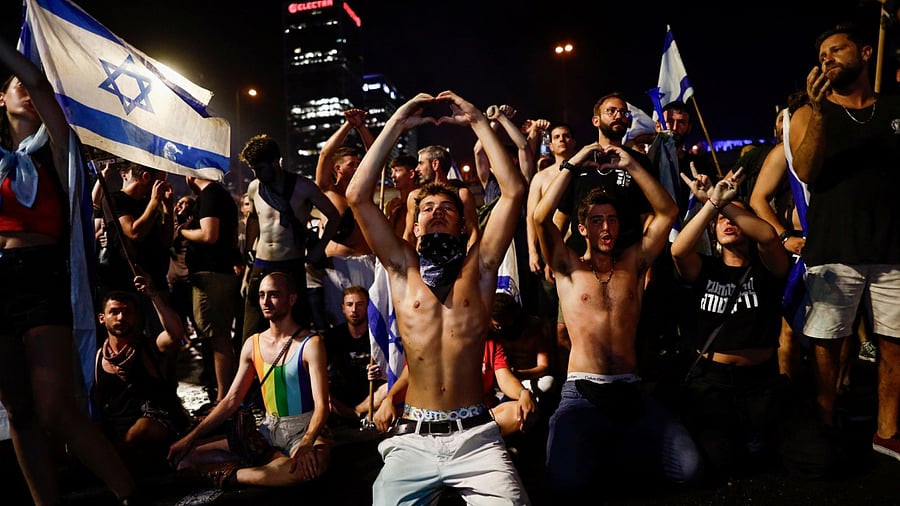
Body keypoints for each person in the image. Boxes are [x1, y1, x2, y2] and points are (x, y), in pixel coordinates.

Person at [346, 91, 530, 505]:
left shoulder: (479, 270)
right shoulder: (401, 270)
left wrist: (480, 121)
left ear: (464, 224)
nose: (436, 211)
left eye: (445, 206)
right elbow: (358, 194)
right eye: (426, 207)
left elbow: (514, 191)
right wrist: (394, 124)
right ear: (414, 222)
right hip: (412, 438)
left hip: (476, 437)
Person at [0, 36, 137, 504]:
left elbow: (37, 80)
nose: (24, 89)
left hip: (40, 276)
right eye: (12, 85)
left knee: (56, 409)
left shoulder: (56, 146)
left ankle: (128, 494)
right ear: (0, 99)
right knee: (19, 411)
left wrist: (8, 52)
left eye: (27, 86)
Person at [534, 141, 701, 500]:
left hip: (631, 389)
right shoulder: (568, 268)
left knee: (687, 470)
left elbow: (668, 212)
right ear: (583, 230)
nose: (606, 227)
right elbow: (539, 218)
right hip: (582, 391)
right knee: (565, 484)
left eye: (611, 220)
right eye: (596, 221)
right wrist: (574, 164)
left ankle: (615, 447)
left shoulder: (634, 263)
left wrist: (631, 163)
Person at [790, 22, 900, 460]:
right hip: (835, 251)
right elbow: (807, 171)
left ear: (867, 53)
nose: (828, 59)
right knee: (827, 345)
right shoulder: (809, 113)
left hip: (892, 247)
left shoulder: (893, 108)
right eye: (822, 56)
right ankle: (826, 421)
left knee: (894, 341)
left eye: (838, 50)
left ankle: (887, 430)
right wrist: (818, 111)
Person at [671, 168, 791, 483]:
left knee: (813, 459)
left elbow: (767, 234)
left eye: (735, 218)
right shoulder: (705, 268)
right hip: (714, 384)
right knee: (724, 463)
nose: (728, 221)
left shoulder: (768, 267)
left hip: (761, 384)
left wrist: (727, 204)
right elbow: (678, 250)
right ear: (712, 232)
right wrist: (712, 204)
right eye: (721, 220)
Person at [167, 272, 331, 489]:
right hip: (267, 430)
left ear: (291, 299)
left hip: (303, 429)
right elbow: (230, 400)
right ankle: (267, 466)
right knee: (185, 460)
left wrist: (308, 442)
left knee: (306, 470)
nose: (265, 301)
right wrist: (191, 437)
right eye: (262, 295)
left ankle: (232, 476)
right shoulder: (253, 343)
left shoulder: (310, 343)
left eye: (273, 295)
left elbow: (322, 406)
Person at [239, 133, 340, 340]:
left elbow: (334, 216)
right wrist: (248, 263)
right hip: (261, 263)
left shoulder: (303, 186)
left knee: (296, 326)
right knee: (252, 327)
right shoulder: (254, 188)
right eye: (253, 169)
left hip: (291, 264)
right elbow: (253, 221)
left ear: (275, 162)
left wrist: (320, 248)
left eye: (260, 168)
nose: (257, 173)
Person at [93, 275, 193, 474]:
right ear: (102, 318)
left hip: (158, 424)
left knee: (141, 431)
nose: (121, 317)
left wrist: (153, 295)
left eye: (126, 312)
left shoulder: (150, 348)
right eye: (114, 312)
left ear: (136, 317)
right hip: (118, 430)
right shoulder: (96, 358)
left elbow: (175, 334)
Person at [179, 174, 241, 406]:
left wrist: (181, 232)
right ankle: (222, 393)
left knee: (218, 337)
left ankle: (224, 397)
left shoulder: (210, 195)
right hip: (218, 274)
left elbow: (208, 234)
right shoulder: (218, 195)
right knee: (216, 336)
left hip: (212, 276)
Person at [314, 108, 377, 326]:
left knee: (372, 319)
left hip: (366, 262)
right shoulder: (327, 191)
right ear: (337, 168)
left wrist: (361, 126)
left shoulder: (364, 190)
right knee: (339, 322)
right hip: (337, 266)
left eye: (359, 164)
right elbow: (325, 155)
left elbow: (375, 153)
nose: (358, 167)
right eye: (352, 164)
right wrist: (348, 125)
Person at [97, 161, 175, 337]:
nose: (164, 186)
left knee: (163, 338)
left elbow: (165, 240)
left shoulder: (149, 202)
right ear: (147, 177)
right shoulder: (115, 199)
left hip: (155, 281)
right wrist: (155, 201)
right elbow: (133, 232)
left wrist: (168, 209)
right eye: (161, 181)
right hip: (128, 283)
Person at [324, 285, 387, 423]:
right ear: (343, 308)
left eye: (359, 304)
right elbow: (320, 368)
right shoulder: (333, 336)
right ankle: (356, 416)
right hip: (341, 396)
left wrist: (380, 372)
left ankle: (357, 414)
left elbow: (392, 371)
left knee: (388, 388)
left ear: (368, 307)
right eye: (349, 305)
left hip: (371, 396)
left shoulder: (377, 335)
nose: (354, 310)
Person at [384, 153, 419, 239]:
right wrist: (392, 217)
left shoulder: (421, 202)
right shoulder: (391, 205)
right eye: (392, 171)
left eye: (397, 170)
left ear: (411, 174)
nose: (393, 176)